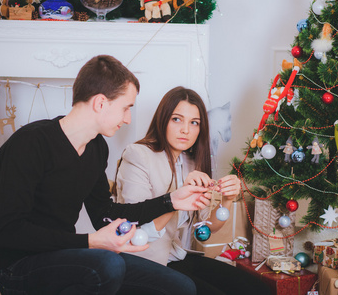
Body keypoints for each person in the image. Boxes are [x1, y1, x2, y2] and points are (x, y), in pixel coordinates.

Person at [0, 55, 212, 295]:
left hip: (64, 256)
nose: (128, 119)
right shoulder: (29, 143)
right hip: (17, 268)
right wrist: (90, 242)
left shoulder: (96, 148)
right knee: (108, 263)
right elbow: (10, 231)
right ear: (100, 103)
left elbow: (105, 215)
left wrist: (171, 201)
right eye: (126, 108)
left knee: (181, 287)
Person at [115, 86, 271, 295]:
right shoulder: (138, 155)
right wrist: (178, 198)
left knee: (257, 289)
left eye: (194, 123)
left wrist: (226, 200)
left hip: (178, 256)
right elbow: (135, 229)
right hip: (144, 260)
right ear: (163, 120)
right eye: (177, 119)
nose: (185, 130)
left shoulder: (191, 162)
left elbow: (205, 230)